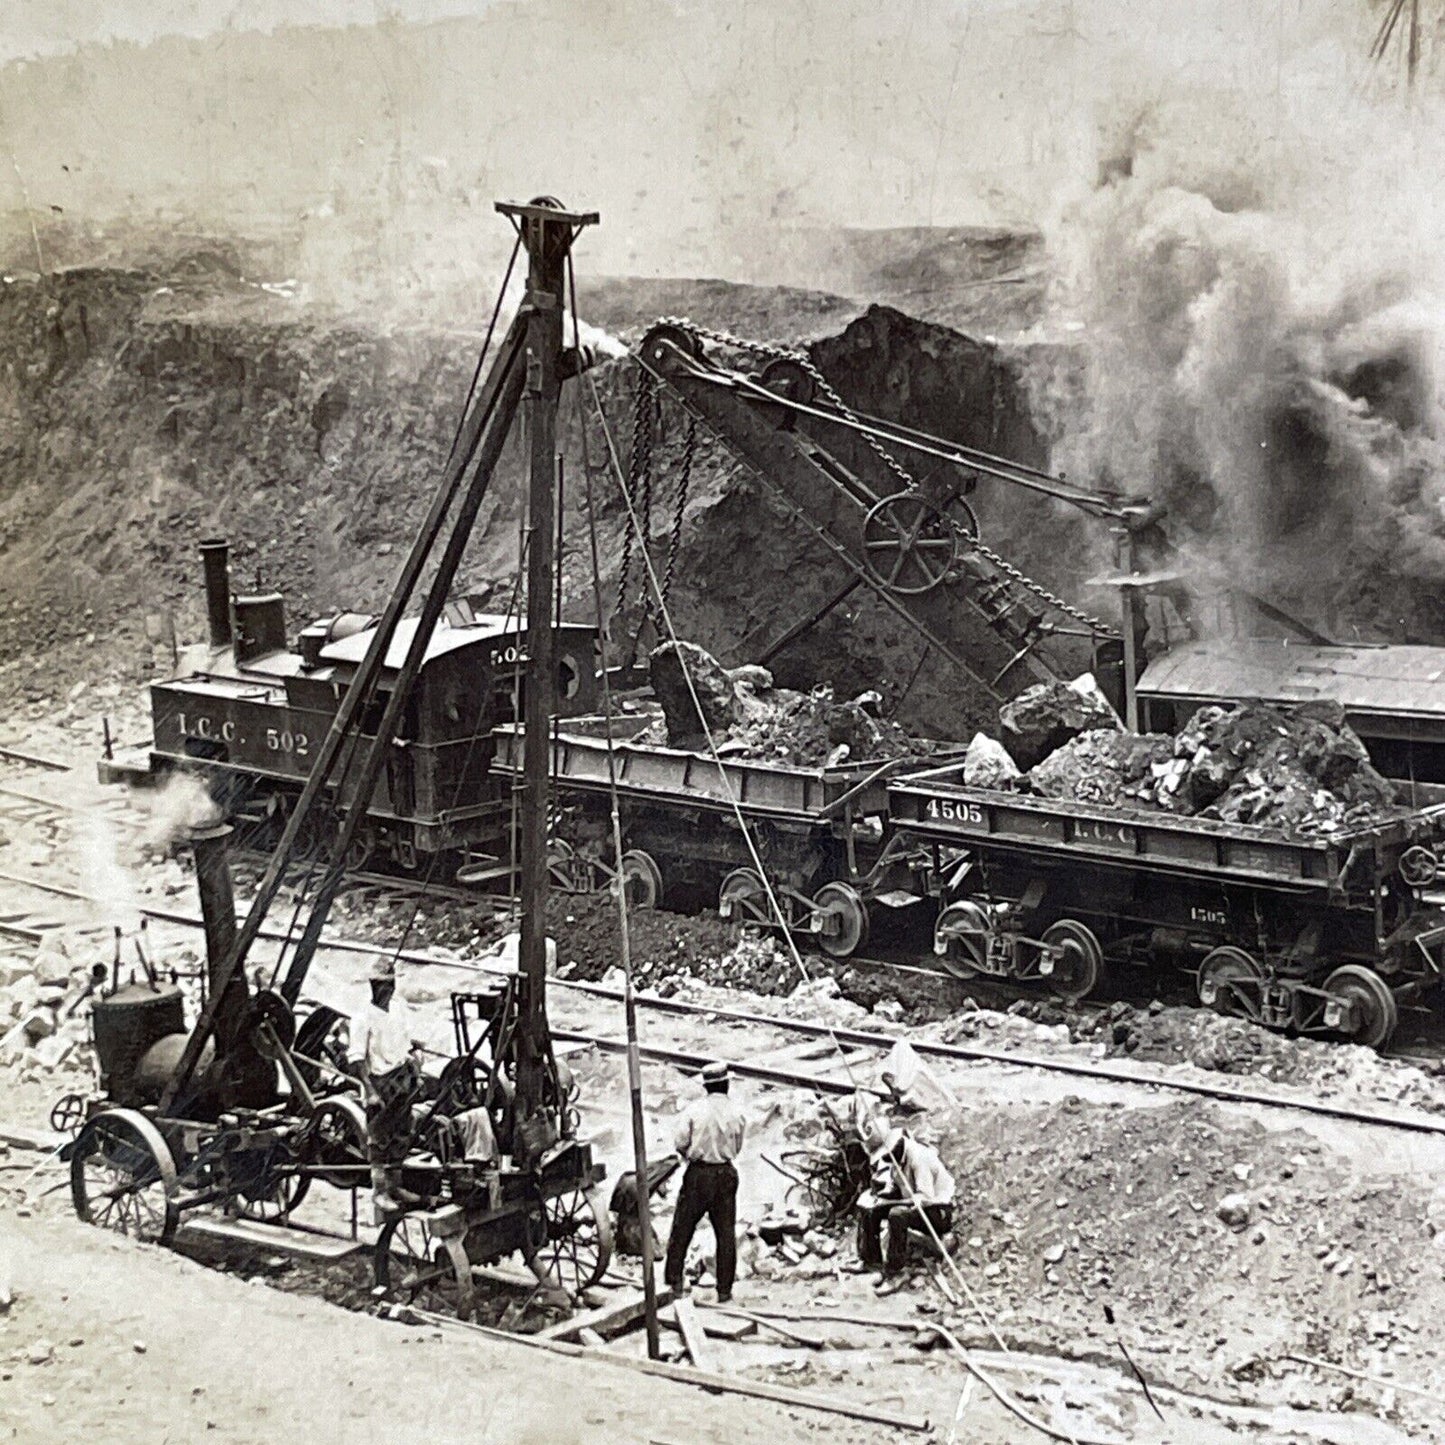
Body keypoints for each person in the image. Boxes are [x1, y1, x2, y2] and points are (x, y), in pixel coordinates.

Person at [663, 1059, 746, 1303]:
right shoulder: (736, 1112)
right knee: (725, 1234)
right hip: (725, 1174)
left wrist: (692, 1153)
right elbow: (738, 1147)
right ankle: (724, 1290)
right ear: (726, 1085)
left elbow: (680, 1142)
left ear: (706, 1087)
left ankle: (675, 1283)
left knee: (682, 1229)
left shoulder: (694, 1110)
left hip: (698, 1174)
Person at [353, 957, 425, 1216]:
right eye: (378, 985)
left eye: (388, 984)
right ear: (372, 986)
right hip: (380, 1081)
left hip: (401, 1077)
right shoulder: (362, 1017)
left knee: (402, 1133)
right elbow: (357, 1058)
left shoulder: (397, 1009)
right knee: (379, 1138)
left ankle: (396, 1186)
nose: (384, 990)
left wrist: (414, 1056)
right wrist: (370, 1091)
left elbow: (404, 1042)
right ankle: (379, 1191)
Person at [855, 1127, 956, 1294]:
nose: (885, 1160)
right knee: (871, 1208)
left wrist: (892, 1202)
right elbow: (896, 1185)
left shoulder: (919, 1158)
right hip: (916, 1202)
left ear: (896, 1147)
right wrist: (881, 1196)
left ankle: (896, 1272)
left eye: (886, 1155)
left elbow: (923, 1198)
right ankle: (871, 1261)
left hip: (937, 1211)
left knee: (897, 1214)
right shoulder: (896, 1159)